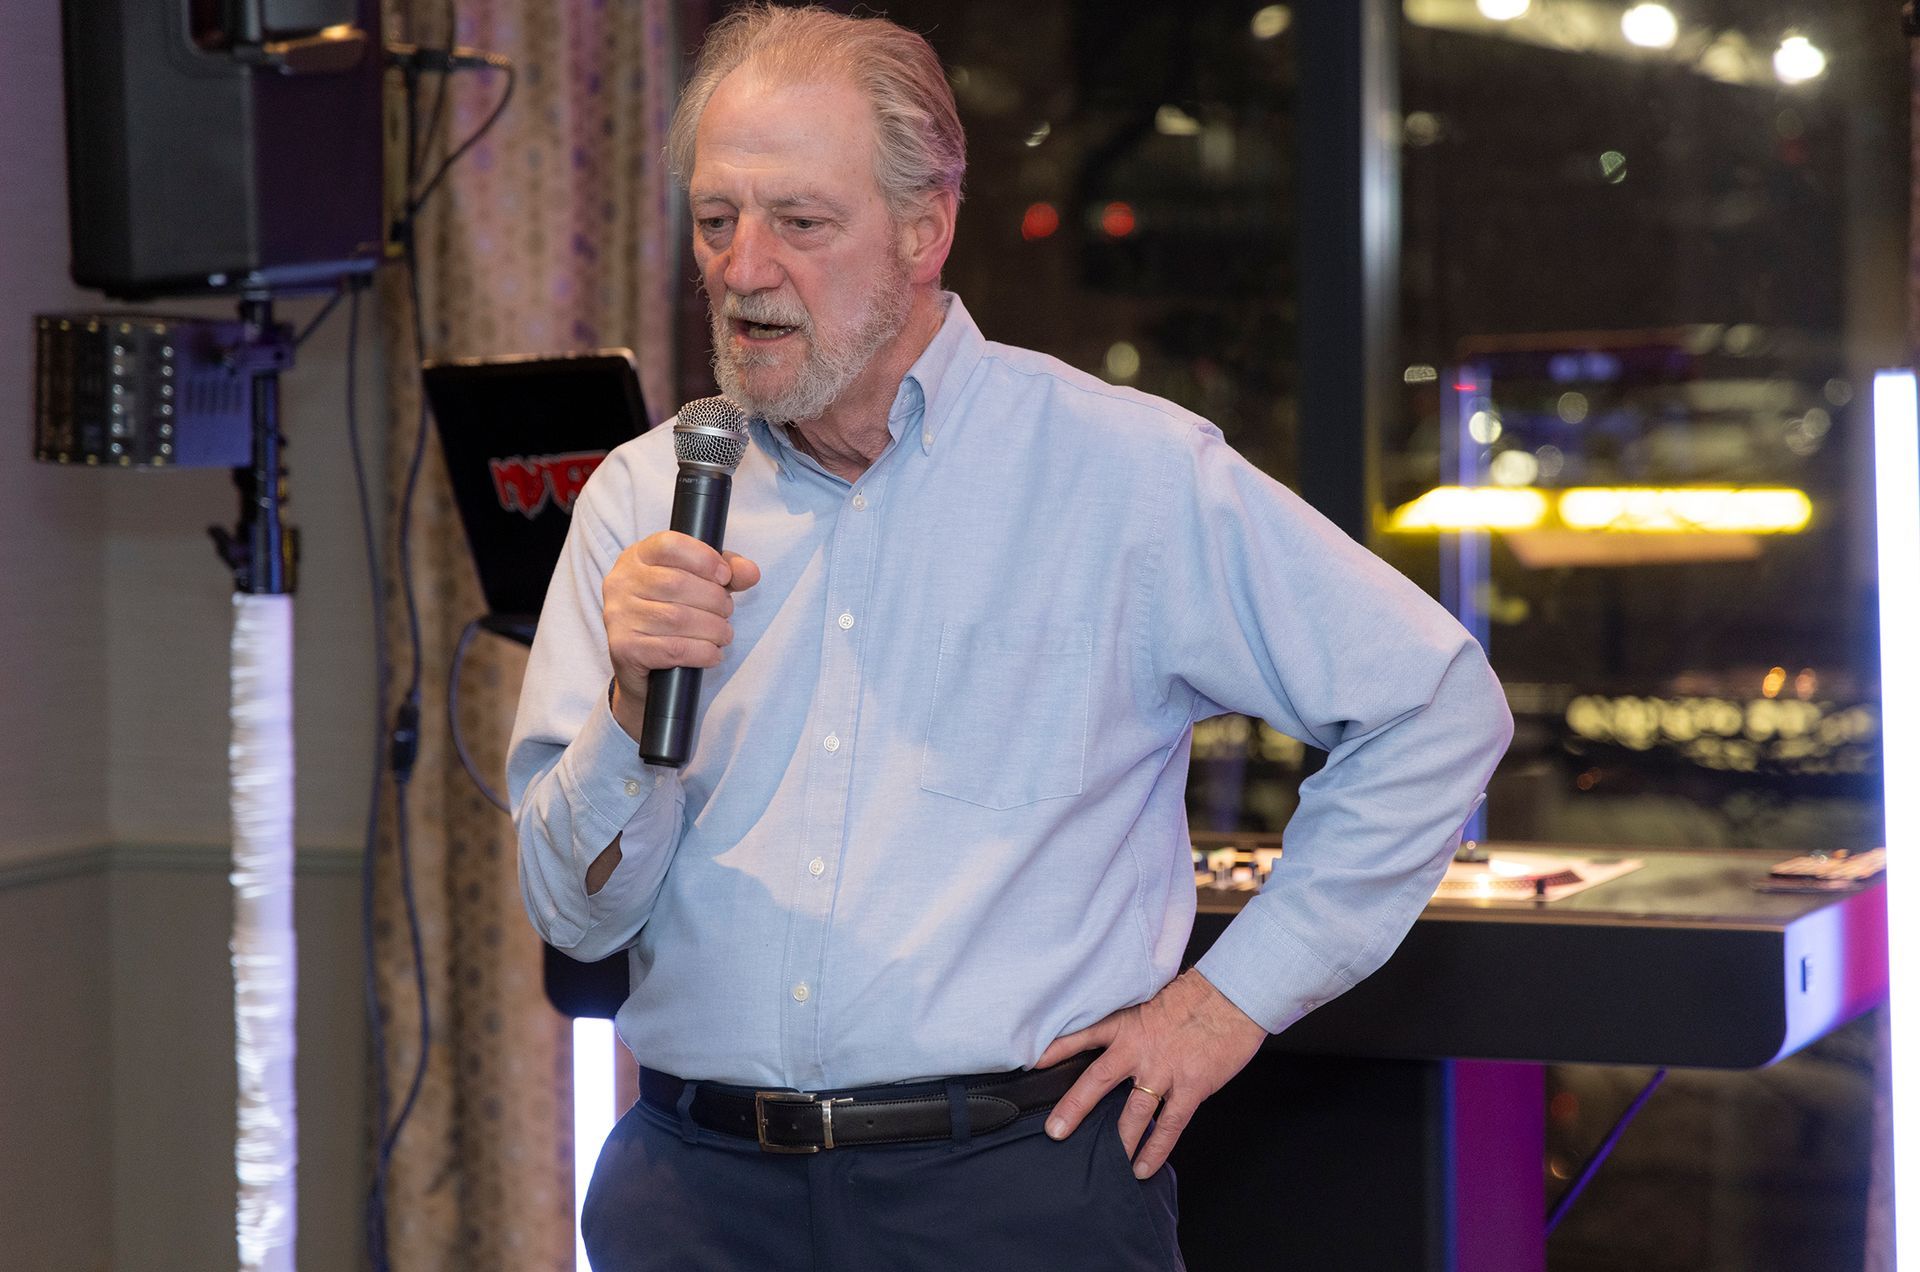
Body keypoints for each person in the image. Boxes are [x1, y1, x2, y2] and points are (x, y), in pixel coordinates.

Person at [509, 5, 1512, 1268]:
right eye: (717, 220)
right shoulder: (642, 496)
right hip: (693, 1199)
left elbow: (1436, 705)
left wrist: (1226, 1005)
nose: (744, 267)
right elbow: (576, 920)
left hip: (1011, 1195)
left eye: (800, 222)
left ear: (924, 229)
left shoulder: (1124, 473)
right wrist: (627, 709)